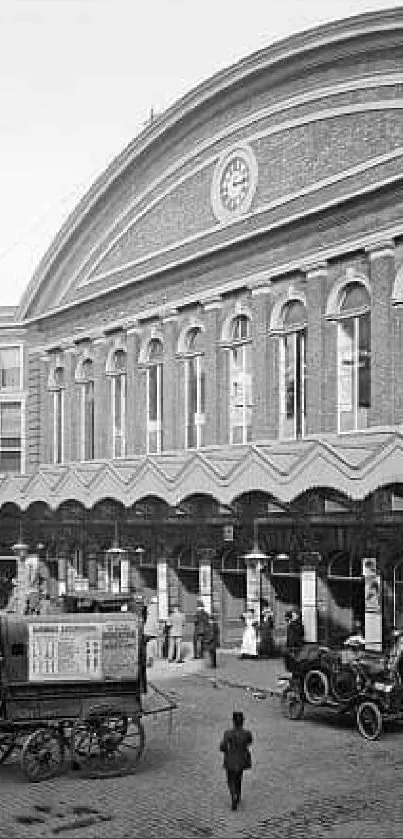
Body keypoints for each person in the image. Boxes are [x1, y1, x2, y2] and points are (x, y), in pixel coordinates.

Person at [219, 711, 253, 811]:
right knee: (239, 778)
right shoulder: (247, 733)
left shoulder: (228, 733)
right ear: (243, 721)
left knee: (230, 779)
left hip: (231, 759)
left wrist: (223, 749)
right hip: (242, 759)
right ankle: (238, 795)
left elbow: (223, 746)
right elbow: (249, 742)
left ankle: (233, 794)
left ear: (233, 721)